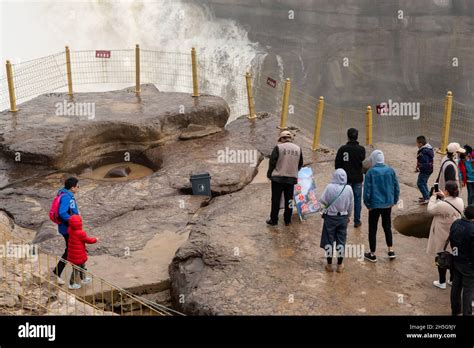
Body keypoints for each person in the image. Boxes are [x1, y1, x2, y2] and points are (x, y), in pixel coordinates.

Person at [363, 150, 400, 262]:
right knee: (387, 226)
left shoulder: (370, 172)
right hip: (388, 204)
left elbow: (367, 191)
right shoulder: (390, 170)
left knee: (373, 228)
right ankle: (391, 250)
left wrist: (367, 203)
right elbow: (396, 187)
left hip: (374, 205)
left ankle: (372, 253)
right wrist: (395, 200)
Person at [427, 181, 464, 289]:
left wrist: (433, 197)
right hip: (454, 233)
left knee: (441, 256)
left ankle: (442, 282)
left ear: (447, 191)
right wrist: (444, 197)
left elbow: (430, 210)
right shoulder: (460, 201)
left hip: (442, 234)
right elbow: (450, 204)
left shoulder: (441, 205)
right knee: (453, 255)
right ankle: (452, 279)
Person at [319, 169, 354, 273]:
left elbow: (323, 201)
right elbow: (351, 205)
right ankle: (339, 265)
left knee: (329, 241)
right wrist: (349, 216)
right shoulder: (348, 188)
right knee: (341, 241)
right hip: (343, 217)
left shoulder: (329, 187)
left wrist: (326, 208)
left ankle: (329, 265)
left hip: (330, 217)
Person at [266, 131, 303, 226]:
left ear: (282, 139)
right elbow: (300, 164)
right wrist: (293, 171)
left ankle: (274, 220)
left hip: (278, 178)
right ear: (290, 139)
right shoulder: (298, 149)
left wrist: (269, 174)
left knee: (276, 199)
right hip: (291, 179)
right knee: (289, 200)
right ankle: (287, 219)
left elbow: (272, 163)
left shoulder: (278, 147)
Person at [335, 128, 365, 227]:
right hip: (357, 178)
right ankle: (357, 221)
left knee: (344, 199)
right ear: (357, 137)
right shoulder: (361, 149)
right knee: (357, 200)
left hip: (345, 179)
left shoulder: (342, 149)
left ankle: (344, 219)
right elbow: (363, 162)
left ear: (348, 137)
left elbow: (337, 165)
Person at [51, 177, 80, 285]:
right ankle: (57, 273)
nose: (78, 188)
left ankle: (78, 272)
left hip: (67, 228)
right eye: (77, 186)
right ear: (72, 188)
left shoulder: (64, 194)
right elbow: (62, 212)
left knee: (72, 249)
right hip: (68, 228)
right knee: (70, 251)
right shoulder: (67, 197)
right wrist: (74, 220)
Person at [449, 205, 474, 316]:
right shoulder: (472, 229)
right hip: (468, 264)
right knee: (468, 290)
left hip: (456, 259)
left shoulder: (456, 223)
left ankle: (455, 311)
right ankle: (467, 313)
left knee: (456, 286)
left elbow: (452, 241)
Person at [67, 215, 98, 290]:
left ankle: (83, 278)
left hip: (74, 254)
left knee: (82, 266)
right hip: (78, 255)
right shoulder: (81, 233)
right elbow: (88, 240)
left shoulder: (70, 230)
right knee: (76, 270)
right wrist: (95, 239)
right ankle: (71, 284)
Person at [415, 135, 434, 205]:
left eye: (417, 143)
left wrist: (419, 168)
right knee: (424, 183)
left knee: (420, 183)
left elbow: (425, 163)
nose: (416, 144)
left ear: (420, 144)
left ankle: (426, 198)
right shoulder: (427, 149)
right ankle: (427, 196)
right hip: (429, 169)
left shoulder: (424, 152)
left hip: (425, 170)